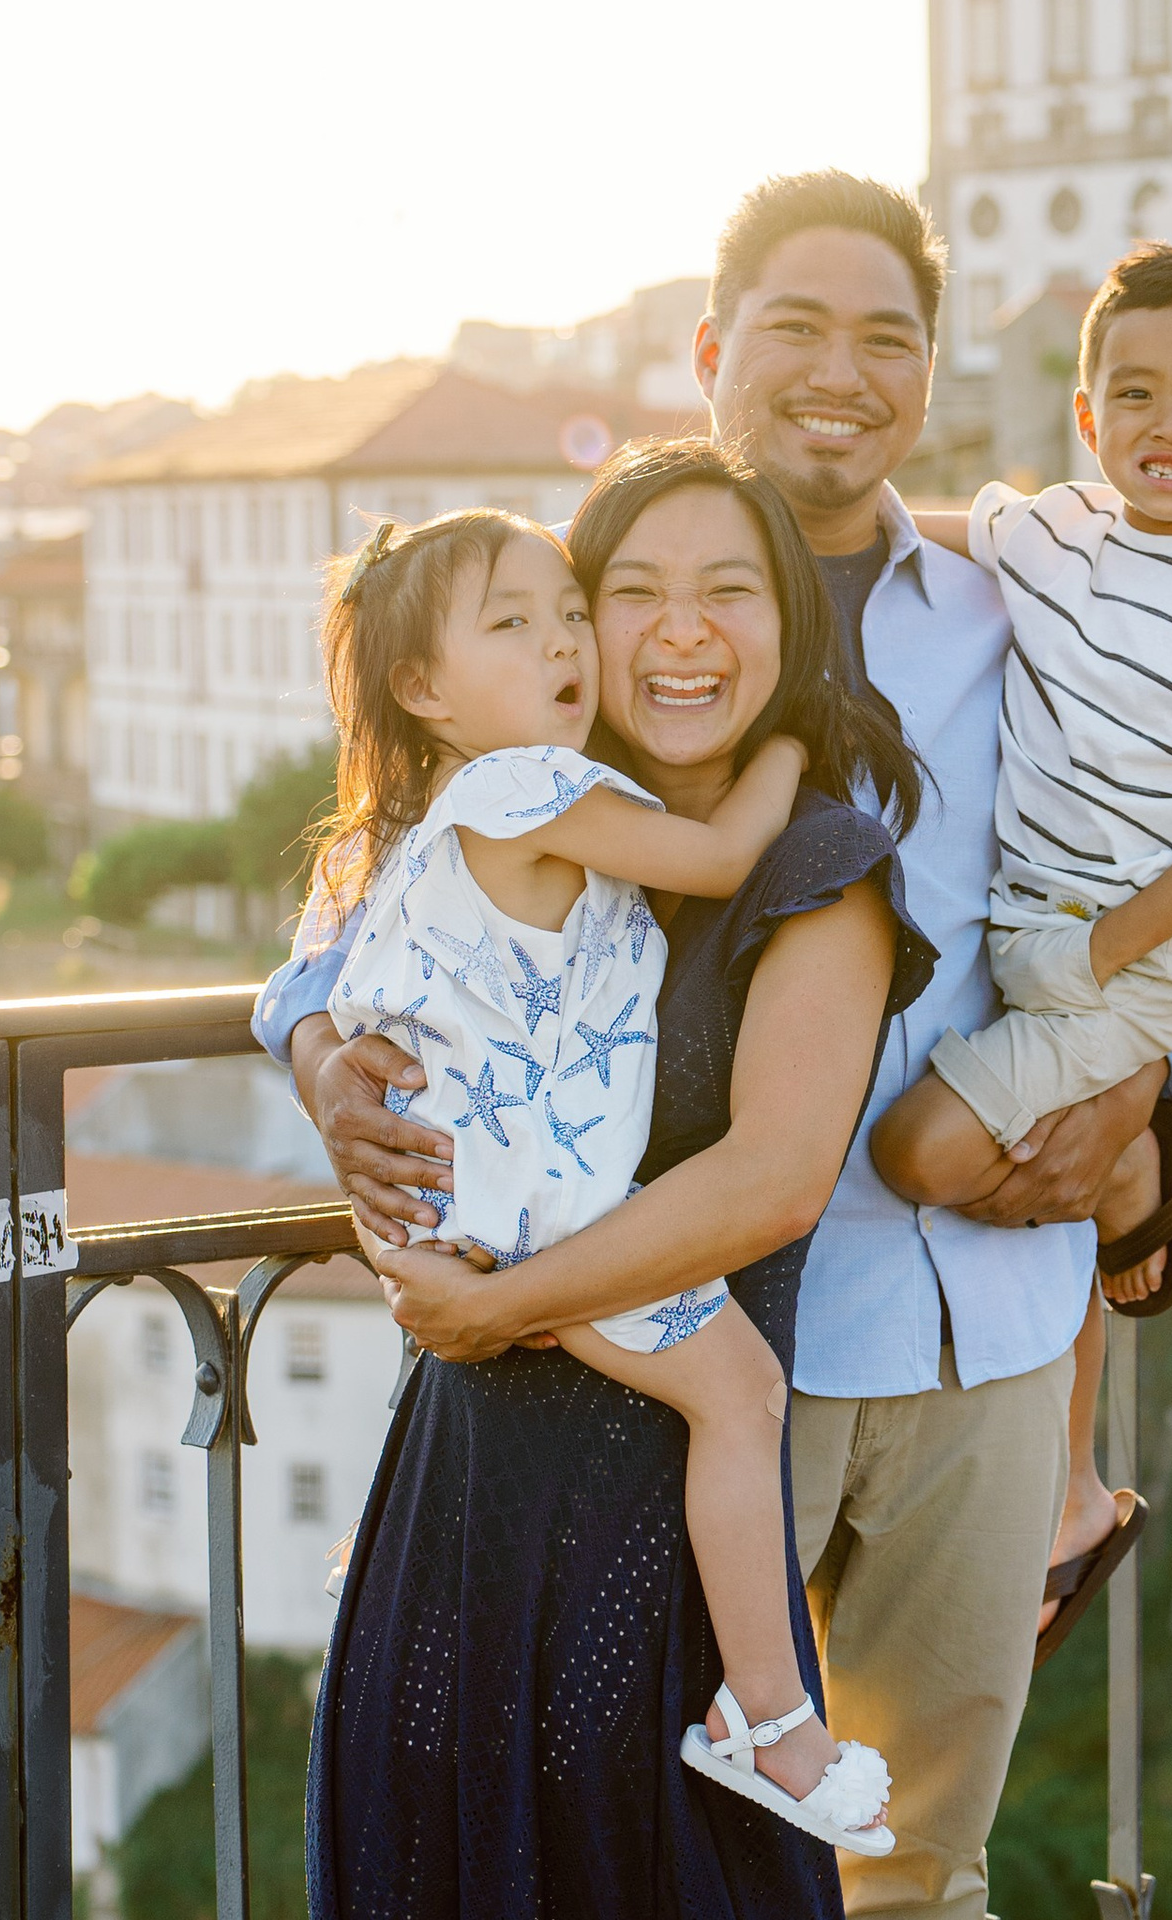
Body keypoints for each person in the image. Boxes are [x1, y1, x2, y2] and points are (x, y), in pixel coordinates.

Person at [272, 171, 1172, 1920]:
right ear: (710, 352)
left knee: (919, 1833)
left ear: (934, 367)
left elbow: (1155, 864)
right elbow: (384, 871)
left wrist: (1164, 1103)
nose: (838, 371)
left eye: (885, 332)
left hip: (985, 1311)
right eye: (791, 325)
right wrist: (318, 1050)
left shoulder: (1026, 601)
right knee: (673, 1855)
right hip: (716, 1322)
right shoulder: (590, 623)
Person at [278, 440, 935, 1920]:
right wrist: (332, 1075)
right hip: (480, 1443)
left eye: (721, 589)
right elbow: (334, 973)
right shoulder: (512, 815)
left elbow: (770, 1178)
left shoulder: (813, 861)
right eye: (617, 589)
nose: (664, 631)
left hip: (645, 1456)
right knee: (469, 1901)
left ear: (784, 622)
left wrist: (494, 1301)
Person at [308, 502, 891, 1847]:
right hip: (537, 1205)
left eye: (569, 614)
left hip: (488, 1203)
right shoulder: (527, 788)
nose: (564, 645)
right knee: (741, 1394)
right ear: (423, 688)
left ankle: (760, 1716)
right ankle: (771, 1721)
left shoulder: (451, 814)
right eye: (517, 624)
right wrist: (794, 743)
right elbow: (723, 858)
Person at [871, 242, 1172, 1637]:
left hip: (1121, 962)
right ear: (1087, 415)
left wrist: (1108, 953)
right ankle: (1074, 1488)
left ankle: (1136, 1154)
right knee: (1038, 1167)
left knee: (920, 1155)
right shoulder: (1062, 531)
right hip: (1028, 938)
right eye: (1135, 392)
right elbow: (910, 527)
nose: (1170, 424)